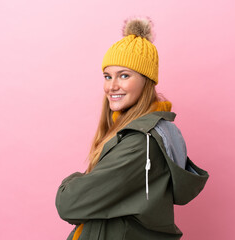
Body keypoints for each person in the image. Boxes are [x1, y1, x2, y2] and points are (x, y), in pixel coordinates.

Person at [55, 17, 209, 240]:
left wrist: (74, 181)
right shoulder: (131, 132)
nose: (112, 86)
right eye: (108, 76)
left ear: (146, 81)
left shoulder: (140, 143)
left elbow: (68, 203)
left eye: (124, 75)